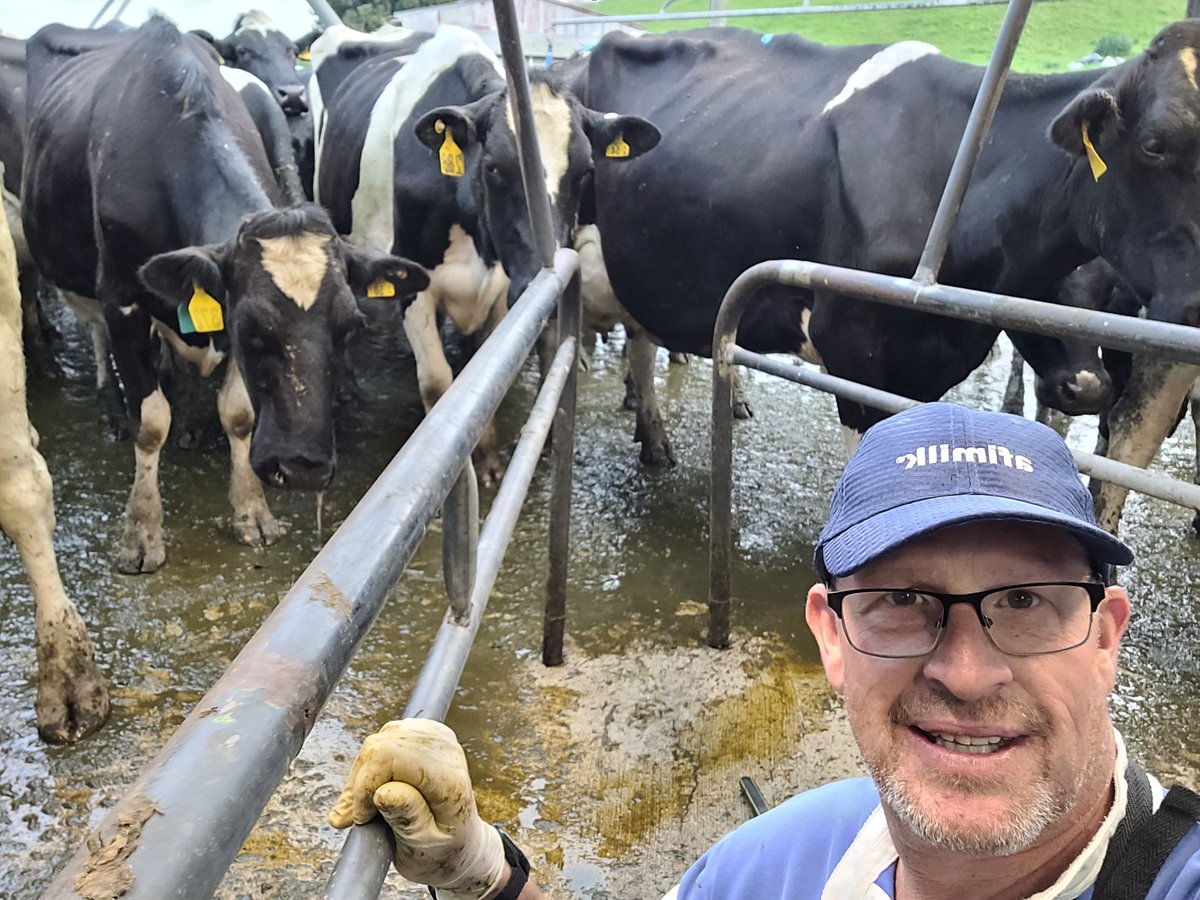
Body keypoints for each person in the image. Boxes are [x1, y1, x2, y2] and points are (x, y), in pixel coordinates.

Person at [329, 403, 1200, 899]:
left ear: (1105, 638)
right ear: (830, 636)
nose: (967, 673)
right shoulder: (779, 863)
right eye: (903, 603)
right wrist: (484, 876)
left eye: (1024, 602)